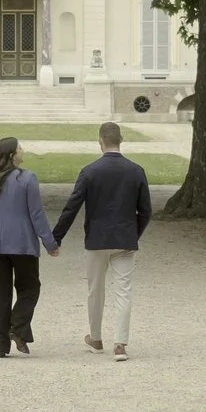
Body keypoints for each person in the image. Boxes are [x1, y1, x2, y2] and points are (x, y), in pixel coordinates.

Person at [53, 122, 152, 362]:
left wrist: (55, 237)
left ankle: (96, 338)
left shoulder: (90, 171)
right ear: (121, 140)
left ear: (100, 142)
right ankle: (120, 343)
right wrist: (132, 234)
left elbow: (72, 207)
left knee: (95, 290)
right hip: (125, 239)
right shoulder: (136, 171)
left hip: (96, 239)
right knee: (123, 292)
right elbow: (146, 211)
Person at [0, 136, 59, 357]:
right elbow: (36, 214)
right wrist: (49, 243)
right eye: (20, 147)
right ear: (12, 155)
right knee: (30, 288)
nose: (23, 150)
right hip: (22, 244)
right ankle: (17, 326)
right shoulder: (28, 178)